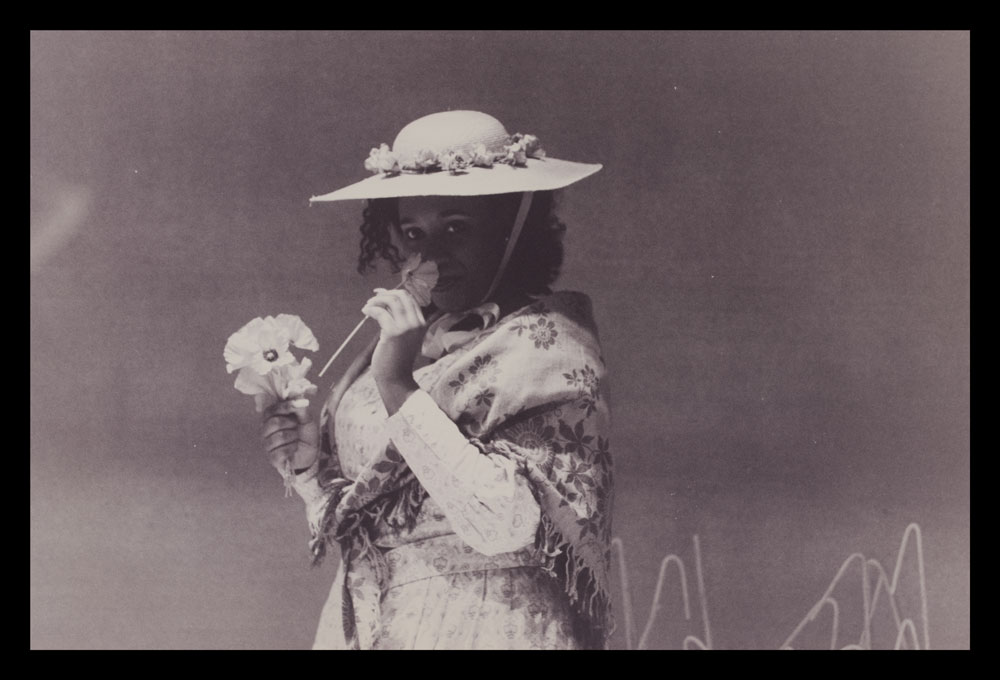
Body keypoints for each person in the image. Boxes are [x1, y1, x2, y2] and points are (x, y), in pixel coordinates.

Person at [261, 110, 612, 649]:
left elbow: (504, 526)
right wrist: (310, 469)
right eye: (412, 232)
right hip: (373, 623)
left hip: (487, 622)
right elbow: (368, 519)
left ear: (513, 230)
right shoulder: (409, 343)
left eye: (456, 229)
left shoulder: (548, 349)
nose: (430, 255)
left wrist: (399, 385)